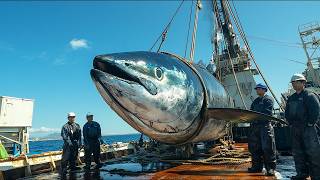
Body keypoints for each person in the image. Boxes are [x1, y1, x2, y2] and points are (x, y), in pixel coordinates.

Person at [285, 73, 320, 180]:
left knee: (312, 152)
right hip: (295, 128)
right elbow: (287, 112)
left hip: (308, 128)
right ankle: (302, 173)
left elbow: (316, 110)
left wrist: (310, 123)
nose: (294, 84)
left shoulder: (310, 95)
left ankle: (316, 176)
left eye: (296, 82)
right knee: (297, 152)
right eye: (293, 83)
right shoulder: (291, 98)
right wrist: (290, 122)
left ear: (303, 83)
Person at [248, 83, 276, 176]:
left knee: (267, 148)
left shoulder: (268, 100)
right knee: (255, 148)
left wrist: (256, 116)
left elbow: (267, 113)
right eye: (257, 89)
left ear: (264, 90)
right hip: (255, 127)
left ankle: (270, 168)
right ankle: (256, 167)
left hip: (265, 126)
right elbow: (251, 111)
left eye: (259, 89)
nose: (257, 90)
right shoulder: (255, 101)